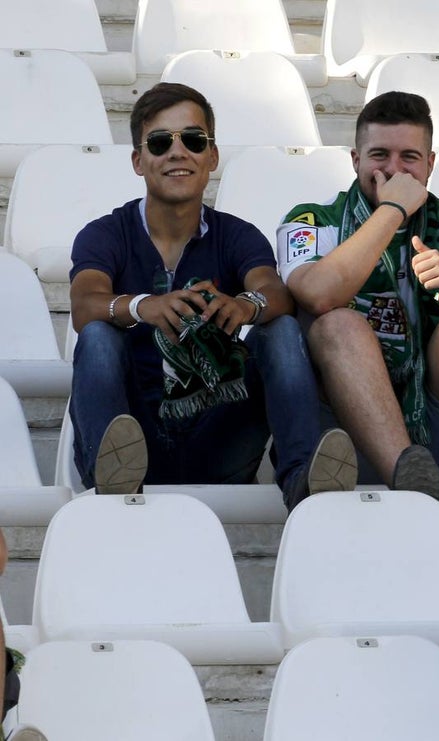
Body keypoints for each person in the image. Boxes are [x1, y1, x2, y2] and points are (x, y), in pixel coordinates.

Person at [279, 91, 439, 574]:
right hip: (342, 440)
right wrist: (393, 212)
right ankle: (412, 490)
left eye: (410, 157)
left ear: (431, 162)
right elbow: (317, 294)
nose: (395, 169)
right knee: (337, 322)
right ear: (355, 158)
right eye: (380, 155)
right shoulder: (310, 219)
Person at [69, 82, 357, 509]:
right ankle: (110, 479)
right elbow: (83, 303)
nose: (177, 152)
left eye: (193, 140)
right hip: (131, 438)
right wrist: (141, 306)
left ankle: (303, 480)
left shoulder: (237, 235)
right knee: (97, 335)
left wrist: (246, 305)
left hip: (219, 432)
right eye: (161, 142)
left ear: (213, 156)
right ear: (138, 160)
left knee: (278, 329)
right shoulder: (104, 234)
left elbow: (274, 290)